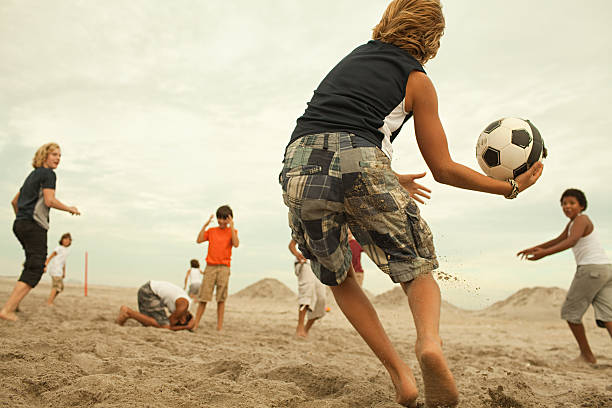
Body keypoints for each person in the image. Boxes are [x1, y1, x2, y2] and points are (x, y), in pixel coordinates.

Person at [278, 1, 543, 406]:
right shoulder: (418, 80)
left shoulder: (351, 58)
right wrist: (510, 188)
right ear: (432, 38)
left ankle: (400, 376)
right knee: (417, 269)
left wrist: (380, 172)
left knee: (339, 278)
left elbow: (333, 127)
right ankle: (429, 345)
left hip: (299, 162)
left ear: (388, 20)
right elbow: (443, 169)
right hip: (362, 160)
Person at [517, 189, 611, 364]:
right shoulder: (573, 223)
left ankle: (587, 356)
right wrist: (535, 248)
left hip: (591, 270)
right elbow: (559, 239)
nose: (567, 206)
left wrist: (544, 254)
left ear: (581, 205)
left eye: (571, 203)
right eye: (564, 203)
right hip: (605, 269)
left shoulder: (581, 219)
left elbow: (571, 241)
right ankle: (587, 356)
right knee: (608, 316)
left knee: (570, 313)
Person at [0, 143, 80, 322]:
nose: (58, 158)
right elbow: (49, 200)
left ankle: (15, 304)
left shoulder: (32, 176)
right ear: (44, 156)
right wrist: (69, 208)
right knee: (36, 267)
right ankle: (7, 309)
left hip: (20, 224)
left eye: (60, 155)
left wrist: (22, 218)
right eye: (54, 154)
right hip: (34, 226)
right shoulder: (48, 174)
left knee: (31, 264)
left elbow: (15, 202)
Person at [193, 205, 239, 331]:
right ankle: (195, 324)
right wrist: (206, 224)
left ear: (229, 219)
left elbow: (236, 244)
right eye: (219, 218)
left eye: (224, 219)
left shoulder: (232, 232)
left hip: (224, 268)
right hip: (210, 267)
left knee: (221, 298)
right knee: (204, 297)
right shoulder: (212, 231)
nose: (222, 221)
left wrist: (232, 226)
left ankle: (219, 327)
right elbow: (199, 240)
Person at [116, 280, 194, 330]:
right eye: (180, 321)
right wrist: (186, 327)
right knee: (163, 325)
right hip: (150, 292)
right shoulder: (183, 306)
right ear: (184, 319)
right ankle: (128, 312)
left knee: (151, 322)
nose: (178, 320)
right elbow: (168, 325)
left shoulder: (185, 304)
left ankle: (122, 319)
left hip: (148, 289)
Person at [289, 239, 327, 337]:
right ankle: (300, 327)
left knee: (321, 298)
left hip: (320, 265)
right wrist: (298, 255)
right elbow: (291, 245)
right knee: (306, 294)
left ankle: (306, 328)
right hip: (305, 264)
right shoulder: (304, 225)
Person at [45, 232, 73, 306]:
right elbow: (51, 256)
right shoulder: (59, 248)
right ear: (62, 240)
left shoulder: (66, 250)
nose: (67, 241)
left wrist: (64, 272)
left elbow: (63, 262)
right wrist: (45, 265)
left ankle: (51, 300)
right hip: (55, 269)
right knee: (56, 286)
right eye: (65, 239)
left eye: (69, 240)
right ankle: (49, 302)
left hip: (60, 271)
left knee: (61, 288)